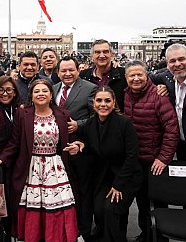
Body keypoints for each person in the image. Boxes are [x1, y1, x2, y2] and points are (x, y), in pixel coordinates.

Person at [0, 79, 79, 242]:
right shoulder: (23, 114)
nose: (41, 94)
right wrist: (1, 159)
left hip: (55, 169)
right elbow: (15, 142)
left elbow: (73, 140)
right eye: (37, 91)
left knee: (56, 206)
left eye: (45, 91)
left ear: (51, 95)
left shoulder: (64, 114)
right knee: (32, 206)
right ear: (31, 95)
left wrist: (79, 146)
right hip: (31, 168)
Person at [124, 60, 179, 242]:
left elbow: (172, 129)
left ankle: (159, 238)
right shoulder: (124, 95)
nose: (136, 78)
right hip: (136, 160)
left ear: (147, 75)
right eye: (132, 75)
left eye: (140, 74)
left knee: (157, 202)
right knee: (141, 201)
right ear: (126, 78)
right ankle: (146, 234)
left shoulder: (158, 95)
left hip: (155, 161)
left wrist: (164, 158)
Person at [79, 86, 143, 242]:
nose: (103, 104)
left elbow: (132, 156)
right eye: (99, 100)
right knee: (98, 209)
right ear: (93, 103)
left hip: (126, 177)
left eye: (107, 101)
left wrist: (119, 185)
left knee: (111, 209)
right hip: (105, 176)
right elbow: (90, 145)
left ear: (114, 103)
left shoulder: (124, 123)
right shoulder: (90, 123)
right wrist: (82, 146)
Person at [53, 56, 97, 241]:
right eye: (63, 70)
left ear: (78, 70)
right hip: (56, 152)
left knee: (83, 193)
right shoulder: (53, 89)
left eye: (71, 70)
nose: (67, 73)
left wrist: (79, 124)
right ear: (58, 73)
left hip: (80, 151)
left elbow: (99, 116)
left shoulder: (89, 88)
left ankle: (84, 231)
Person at [150, 43, 186, 161]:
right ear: (167, 64)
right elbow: (143, 78)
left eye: (182, 59)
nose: (177, 64)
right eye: (172, 61)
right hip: (181, 145)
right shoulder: (166, 78)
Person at [80, 39, 127, 111]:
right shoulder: (83, 76)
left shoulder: (123, 75)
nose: (101, 55)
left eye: (105, 52)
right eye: (97, 52)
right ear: (92, 56)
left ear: (111, 55)